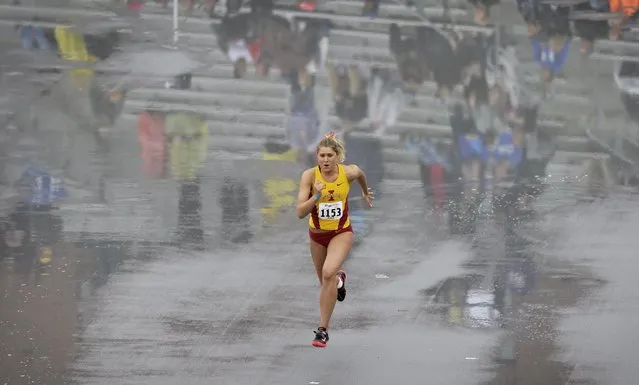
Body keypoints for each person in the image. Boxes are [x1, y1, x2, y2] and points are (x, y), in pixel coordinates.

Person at [295, 132, 374, 348]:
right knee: (325, 282)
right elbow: (300, 213)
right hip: (317, 236)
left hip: (341, 232)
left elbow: (360, 174)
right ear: (317, 157)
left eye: (330, 155)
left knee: (328, 273)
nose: (326, 160)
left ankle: (322, 331)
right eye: (322, 156)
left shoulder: (347, 172)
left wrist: (366, 193)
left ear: (337, 156)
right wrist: (317, 196)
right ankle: (339, 281)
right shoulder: (309, 177)